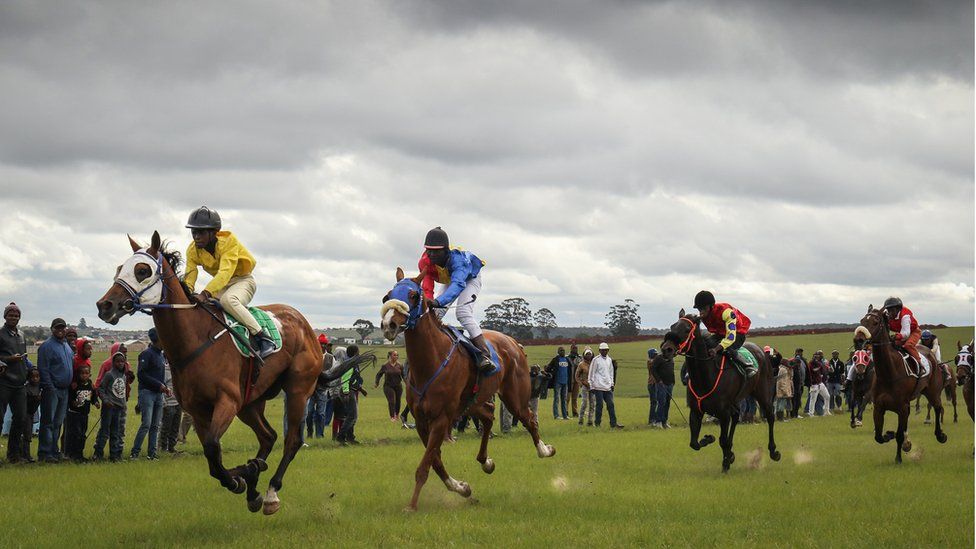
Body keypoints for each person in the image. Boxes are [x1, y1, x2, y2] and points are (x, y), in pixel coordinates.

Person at [183, 206, 276, 363]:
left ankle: (263, 337)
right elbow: (190, 273)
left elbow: (225, 272)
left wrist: (205, 293)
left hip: (243, 280)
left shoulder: (229, 242)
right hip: (221, 286)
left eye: (201, 232)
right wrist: (187, 292)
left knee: (228, 300)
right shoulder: (192, 250)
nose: (196, 237)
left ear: (214, 232)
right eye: (194, 232)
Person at [418, 226, 492, 374]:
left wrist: (438, 302)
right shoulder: (425, 262)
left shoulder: (458, 260)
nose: (431, 254)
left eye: (436, 251)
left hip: (469, 278)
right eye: (428, 250)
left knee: (462, 312)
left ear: (446, 250)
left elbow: (458, 284)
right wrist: (429, 302)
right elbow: (427, 287)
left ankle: (484, 354)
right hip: (450, 279)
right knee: (435, 314)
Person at [693, 291, 756, 378]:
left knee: (726, 349)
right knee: (705, 344)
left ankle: (747, 366)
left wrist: (716, 349)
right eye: (699, 309)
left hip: (737, 333)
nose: (701, 312)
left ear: (711, 306)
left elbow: (730, 337)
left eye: (704, 308)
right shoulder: (704, 315)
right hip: (721, 333)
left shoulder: (726, 312)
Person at [37, 318, 74, 463]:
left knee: (58, 422)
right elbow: (43, 369)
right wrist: (50, 388)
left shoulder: (66, 345)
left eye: (63, 327)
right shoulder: (46, 346)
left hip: (64, 390)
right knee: (48, 422)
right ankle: (45, 453)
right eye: (57, 327)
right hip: (52, 389)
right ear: (52, 329)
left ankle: (54, 450)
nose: (61, 330)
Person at [131, 328, 171, 460]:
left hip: (159, 394)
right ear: (157, 339)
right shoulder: (146, 354)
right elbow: (141, 375)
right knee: (146, 424)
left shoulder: (161, 355)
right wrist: (159, 385)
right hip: (147, 393)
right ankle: (134, 453)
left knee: (155, 426)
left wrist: (164, 388)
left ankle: (152, 454)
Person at [0, 302, 32, 463]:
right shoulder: (0, 334)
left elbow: (25, 358)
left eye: (16, 315)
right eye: (11, 315)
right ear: (5, 316)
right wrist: (8, 359)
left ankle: (13, 455)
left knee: (20, 418)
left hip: (20, 382)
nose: (14, 317)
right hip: (4, 382)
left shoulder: (22, 335)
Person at [92, 342, 132, 460]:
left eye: (122, 361)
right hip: (109, 408)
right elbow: (101, 388)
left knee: (116, 432)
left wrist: (124, 403)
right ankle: (98, 454)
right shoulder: (109, 375)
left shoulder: (124, 376)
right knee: (105, 431)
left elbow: (122, 390)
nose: (120, 363)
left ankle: (114, 455)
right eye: (118, 361)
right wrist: (105, 400)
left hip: (119, 407)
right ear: (113, 362)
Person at [64, 365, 98, 462]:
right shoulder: (75, 385)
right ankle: (72, 454)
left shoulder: (90, 385)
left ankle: (79, 454)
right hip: (75, 414)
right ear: (78, 375)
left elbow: (93, 396)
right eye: (82, 373)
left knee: (82, 434)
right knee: (76, 434)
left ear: (90, 375)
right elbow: (70, 397)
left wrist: (96, 402)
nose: (84, 375)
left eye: (86, 373)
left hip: (84, 414)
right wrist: (72, 402)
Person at [588, 343, 623, 429]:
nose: (604, 351)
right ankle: (597, 424)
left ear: (608, 350)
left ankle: (613, 424)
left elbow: (611, 373)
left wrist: (612, 384)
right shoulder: (595, 360)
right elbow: (591, 373)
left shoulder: (609, 360)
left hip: (607, 387)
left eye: (606, 350)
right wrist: (591, 385)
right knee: (599, 405)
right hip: (598, 386)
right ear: (599, 350)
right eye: (602, 350)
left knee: (611, 404)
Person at [882, 297, 925, 367]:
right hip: (902, 333)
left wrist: (897, 336)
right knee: (892, 345)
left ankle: (919, 364)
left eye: (892, 310)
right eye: (888, 310)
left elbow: (906, 333)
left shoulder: (905, 316)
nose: (890, 313)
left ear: (898, 309)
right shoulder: (888, 316)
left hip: (913, 332)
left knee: (908, 345)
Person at [336, 345, 364, 445]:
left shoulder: (353, 363)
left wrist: (360, 389)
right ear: (354, 353)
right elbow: (345, 379)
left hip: (351, 390)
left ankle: (350, 437)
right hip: (348, 392)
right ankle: (341, 436)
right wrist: (346, 392)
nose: (359, 352)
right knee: (352, 416)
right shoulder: (350, 364)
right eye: (358, 351)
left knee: (351, 416)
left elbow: (353, 378)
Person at [307, 334, 333, 438]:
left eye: (324, 344)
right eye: (320, 343)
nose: (322, 346)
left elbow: (331, 373)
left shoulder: (330, 358)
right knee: (309, 412)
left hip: (323, 389)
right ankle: (310, 432)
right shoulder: (311, 355)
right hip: (311, 388)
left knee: (321, 413)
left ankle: (320, 435)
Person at [159, 358, 182, 454]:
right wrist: (164, 401)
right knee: (166, 426)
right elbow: (162, 386)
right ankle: (163, 447)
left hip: (178, 403)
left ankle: (172, 447)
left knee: (175, 427)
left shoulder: (179, 369)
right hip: (169, 403)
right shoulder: (165, 370)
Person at [375, 350, 404, 422]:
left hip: (398, 386)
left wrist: (407, 383)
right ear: (390, 356)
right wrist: (377, 383)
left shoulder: (400, 365)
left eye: (397, 355)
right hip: (388, 386)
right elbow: (379, 374)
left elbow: (403, 375)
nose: (396, 356)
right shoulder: (385, 366)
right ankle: (392, 417)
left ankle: (397, 415)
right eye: (394, 355)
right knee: (392, 401)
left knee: (398, 401)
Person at [651, 349, 676, 429]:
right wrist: (658, 380)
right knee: (662, 402)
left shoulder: (671, 359)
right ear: (665, 352)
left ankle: (664, 421)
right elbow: (653, 369)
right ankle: (658, 421)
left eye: (671, 354)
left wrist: (673, 382)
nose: (670, 355)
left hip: (670, 383)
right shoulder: (658, 358)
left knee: (667, 402)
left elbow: (672, 371)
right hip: (662, 384)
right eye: (669, 353)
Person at [546, 347, 572, 420]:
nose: (562, 352)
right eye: (561, 351)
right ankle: (556, 415)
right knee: (556, 399)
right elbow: (548, 367)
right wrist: (551, 374)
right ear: (558, 352)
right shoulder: (555, 359)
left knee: (564, 399)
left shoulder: (567, 359)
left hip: (565, 382)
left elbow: (570, 369)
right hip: (557, 382)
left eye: (563, 350)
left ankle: (565, 415)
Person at [22, 368, 42, 462]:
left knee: (28, 434)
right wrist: (36, 399)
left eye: (37, 376)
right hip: (25, 413)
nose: (35, 379)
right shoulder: (26, 388)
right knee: (27, 434)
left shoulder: (40, 387)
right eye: (33, 377)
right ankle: (25, 455)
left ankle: (26, 454)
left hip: (31, 413)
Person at [806, 351, 831, 416]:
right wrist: (821, 366)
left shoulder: (819, 363)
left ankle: (826, 411)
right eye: (815, 355)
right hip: (814, 384)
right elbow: (814, 370)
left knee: (827, 396)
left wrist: (826, 368)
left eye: (817, 355)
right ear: (813, 356)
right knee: (813, 399)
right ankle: (811, 413)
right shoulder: (811, 363)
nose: (816, 356)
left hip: (820, 383)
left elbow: (823, 370)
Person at [575, 348, 594, 426]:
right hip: (584, 386)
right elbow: (577, 375)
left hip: (592, 386)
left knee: (592, 404)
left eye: (590, 354)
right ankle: (580, 420)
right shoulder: (581, 364)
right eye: (587, 354)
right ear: (584, 355)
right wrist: (580, 383)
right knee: (584, 403)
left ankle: (590, 421)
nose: (589, 356)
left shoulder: (593, 363)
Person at [791, 348, 807, 419]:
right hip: (794, 386)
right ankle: (793, 414)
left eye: (801, 352)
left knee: (797, 401)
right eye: (799, 352)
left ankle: (795, 414)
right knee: (794, 401)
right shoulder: (793, 365)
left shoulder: (802, 362)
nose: (800, 354)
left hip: (799, 385)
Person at [646, 349, 659, 425]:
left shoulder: (654, 361)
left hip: (656, 384)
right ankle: (651, 420)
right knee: (654, 402)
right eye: (655, 354)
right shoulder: (650, 362)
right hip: (652, 384)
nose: (656, 355)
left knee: (656, 402)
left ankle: (655, 419)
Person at [568, 344, 581, 417]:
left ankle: (575, 412)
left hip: (577, 381)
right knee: (567, 397)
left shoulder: (579, 358)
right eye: (573, 348)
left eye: (576, 348)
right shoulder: (567, 358)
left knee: (575, 398)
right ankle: (565, 411)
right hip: (569, 380)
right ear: (571, 349)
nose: (575, 350)